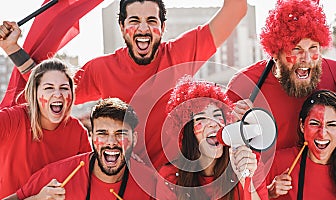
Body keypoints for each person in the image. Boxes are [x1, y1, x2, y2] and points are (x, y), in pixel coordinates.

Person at [0, 0, 248, 169]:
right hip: (125, 184)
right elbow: (49, 88)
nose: (143, 28)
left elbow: (236, 9)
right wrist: (13, 49)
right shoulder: (100, 69)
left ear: (162, 27)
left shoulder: (180, 53)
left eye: (152, 20)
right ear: (121, 26)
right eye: (134, 20)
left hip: (175, 182)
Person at [0, 98, 165, 200]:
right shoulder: (60, 175)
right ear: (91, 136)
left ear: (134, 138)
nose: (111, 142)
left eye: (121, 134)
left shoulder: (147, 180)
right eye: (102, 133)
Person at [156, 77, 274, 200]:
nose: (213, 124)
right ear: (186, 132)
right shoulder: (171, 177)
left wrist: (245, 180)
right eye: (201, 118)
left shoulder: (250, 163)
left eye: (218, 115)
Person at [227, 0, 336, 151]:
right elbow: (222, 154)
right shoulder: (244, 84)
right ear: (275, 52)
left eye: (313, 47)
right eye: (296, 49)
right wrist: (232, 126)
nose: (307, 58)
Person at [0, 58, 91, 200]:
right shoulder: (12, 119)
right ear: (34, 92)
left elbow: (85, 184)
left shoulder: (77, 131)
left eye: (64, 88)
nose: (57, 94)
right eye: (49, 87)